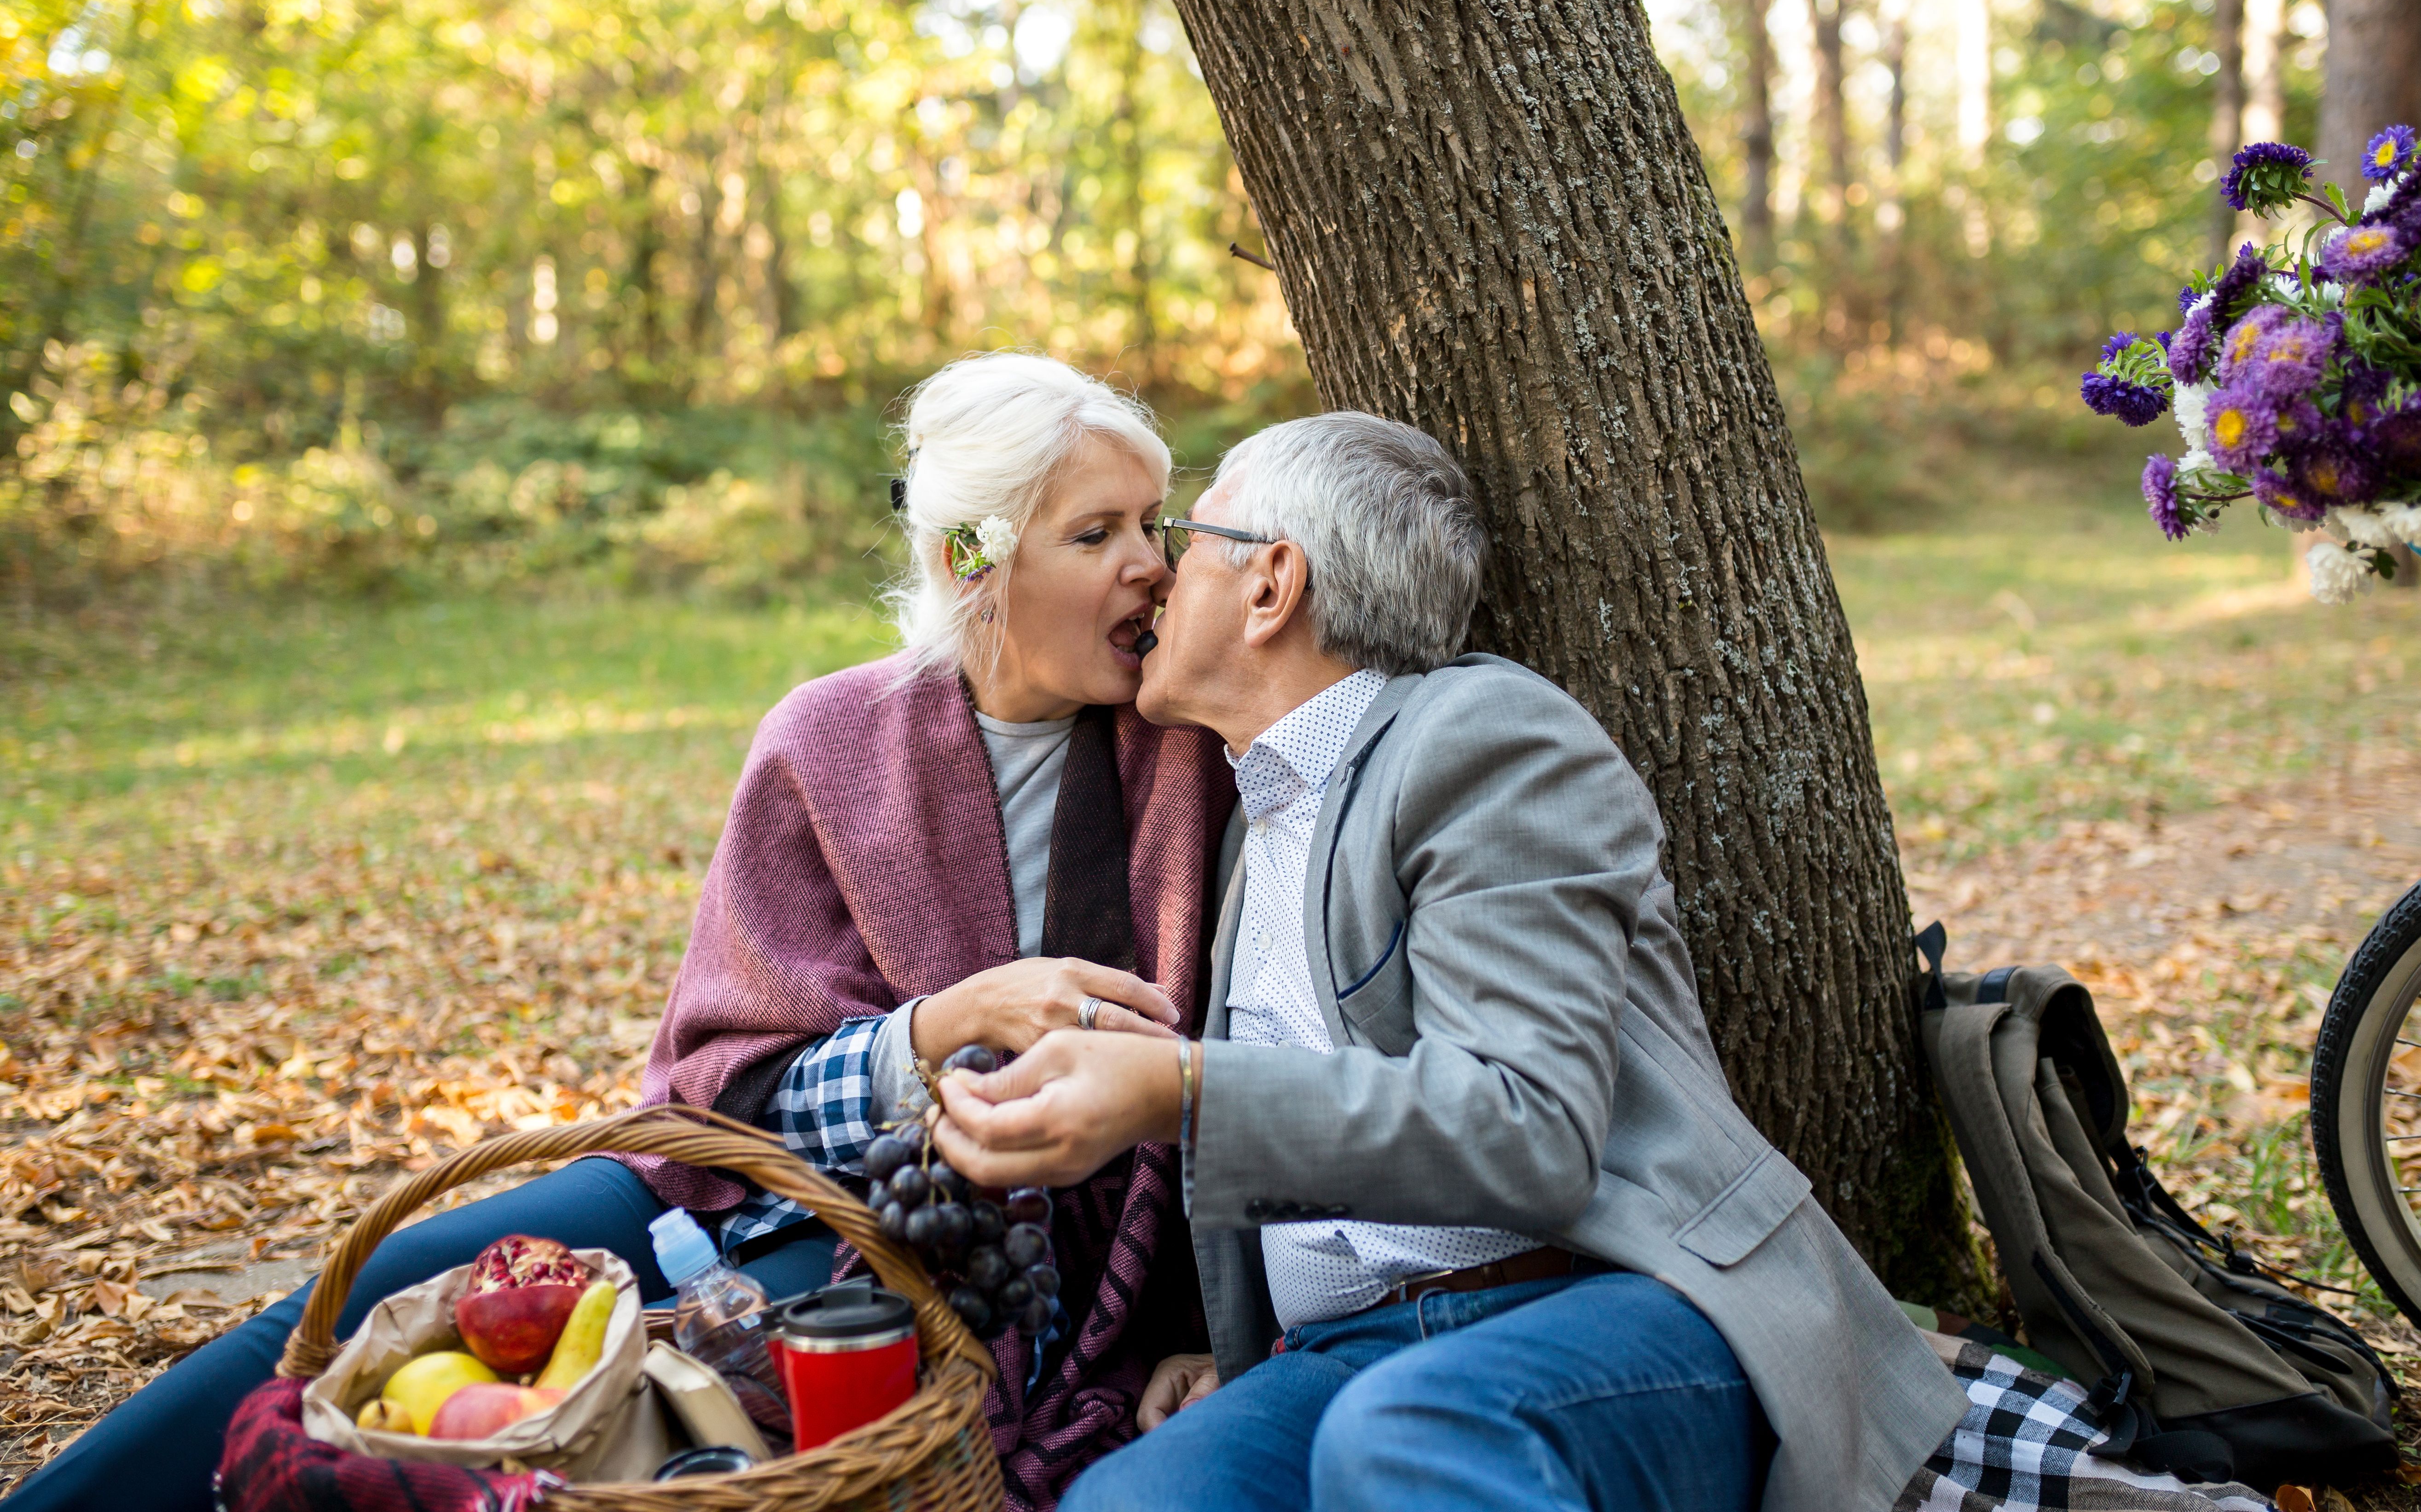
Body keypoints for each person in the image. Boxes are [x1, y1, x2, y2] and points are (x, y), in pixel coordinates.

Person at [10, 354, 1236, 1512]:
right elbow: (720, 1087)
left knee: (693, 1394)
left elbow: (1243, 1082)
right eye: (1097, 534)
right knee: (362, 1306)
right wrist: (937, 1030)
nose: (1153, 566)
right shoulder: (829, 742)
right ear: (974, 559)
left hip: (912, 1241)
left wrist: (1204, 1330)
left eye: (1152, 523)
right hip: (705, 1177)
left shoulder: (1189, 753)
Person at [929, 411, 1968, 1512]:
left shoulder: (1485, 738)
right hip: (1342, 1355)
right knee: (1134, 1502)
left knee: (1409, 1434)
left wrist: (1178, 1089)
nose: (1158, 575)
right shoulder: (1243, 822)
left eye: (1186, 541)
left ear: (1271, 585)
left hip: (1601, 1305)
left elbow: (1529, 1125)